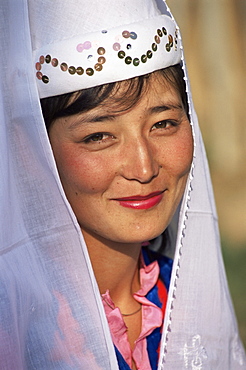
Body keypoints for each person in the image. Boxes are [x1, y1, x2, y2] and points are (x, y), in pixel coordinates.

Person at [0, 0, 245, 369]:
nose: (144, 167)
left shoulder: (187, 301)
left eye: (163, 123)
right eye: (99, 136)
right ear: (30, 152)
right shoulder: (16, 332)